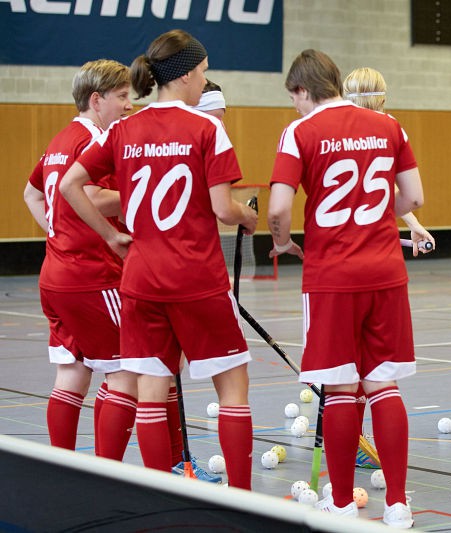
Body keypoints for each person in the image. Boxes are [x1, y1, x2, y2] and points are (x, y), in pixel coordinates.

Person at [59, 30, 258, 489]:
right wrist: (246, 218)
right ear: (186, 74)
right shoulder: (207, 128)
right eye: (204, 72)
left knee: (150, 392)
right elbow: (222, 208)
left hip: (142, 280)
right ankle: (246, 499)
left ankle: (158, 497)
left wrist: (110, 235)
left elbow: (72, 185)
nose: (205, 80)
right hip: (198, 278)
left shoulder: (124, 129)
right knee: (232, 389)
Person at [267, 49, 423, 528]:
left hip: (331, 277)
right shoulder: (389, 126)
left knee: (338, 391)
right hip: (385, 273)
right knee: (383, 384)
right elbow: (414, 197)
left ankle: (339, 506)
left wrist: (284, 243)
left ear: (303, 91)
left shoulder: (300, 131)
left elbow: (277, 210)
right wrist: (376, 215)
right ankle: (397, 505)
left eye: (294, 98)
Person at [22, 59, 139, 460]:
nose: (128, 105)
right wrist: (138, 193)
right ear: (96, 99)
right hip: (92, 276)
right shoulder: (94, 141)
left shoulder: (59, 140)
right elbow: (88, 196)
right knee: (128, 372)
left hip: (55, 275)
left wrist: (58, 232)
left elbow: (31, 194)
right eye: (122, 97)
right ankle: (107, 474)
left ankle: (64, 471)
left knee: (71, 373)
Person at [343, 66, 435, 470]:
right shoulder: (390, 127)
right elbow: (404, 194)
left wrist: (412, 227)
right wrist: (409, 221)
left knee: (348, 362)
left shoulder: (333, 123)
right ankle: (356, 444)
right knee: (375, 363)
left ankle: (350, 442)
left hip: (339, 256)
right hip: (378, 260)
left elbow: (388, 188)